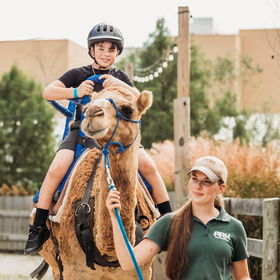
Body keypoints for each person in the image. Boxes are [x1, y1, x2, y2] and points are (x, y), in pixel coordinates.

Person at [24, 22, 171, 255]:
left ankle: (168, 221)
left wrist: (121, 84)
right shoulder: (78, 74)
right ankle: (38, 227)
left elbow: (139, 100)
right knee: (56, 170)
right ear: (91, 50)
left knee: (149, 167)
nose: (106, 54)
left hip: (115, 135)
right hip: (81, 134)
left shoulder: (121, 77)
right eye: (101, 48)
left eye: (111, 50)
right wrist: (74, 92)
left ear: (117, 53)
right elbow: (48, 92)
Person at [106, 156, 251, 280]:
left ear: (221, 188)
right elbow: (128, 262)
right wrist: (114, 217)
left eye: (207, 181)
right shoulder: (170, 222)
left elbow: (243, 276)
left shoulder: (234, 227)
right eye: (194, 179)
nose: (198, 186)